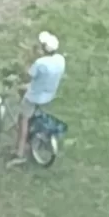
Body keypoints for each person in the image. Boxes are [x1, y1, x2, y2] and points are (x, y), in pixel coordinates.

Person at [16, 31, 66, 160]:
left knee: (23, 119)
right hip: (49, 93)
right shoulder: (60, 60)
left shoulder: (40, 63)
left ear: (43, 48)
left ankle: (19, 152)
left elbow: (27, 76)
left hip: (34, 95)